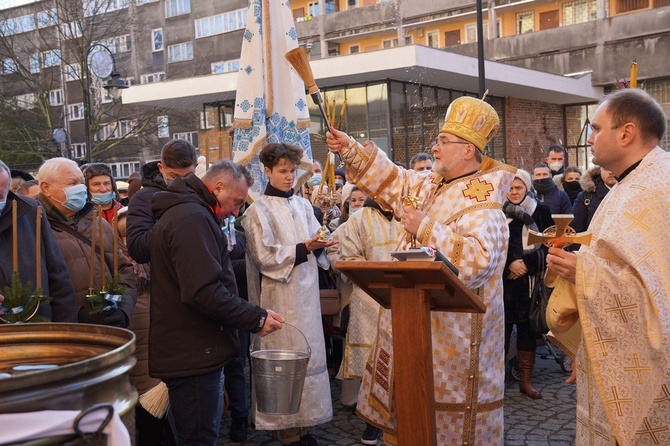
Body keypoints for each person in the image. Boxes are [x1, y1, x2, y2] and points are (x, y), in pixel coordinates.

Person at [327, 96, 516, 445]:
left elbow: (477, 262)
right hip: (411, 321)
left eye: (444, 141)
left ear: (468, 150)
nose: (435, 146)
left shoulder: (483, 202)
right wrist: (350, 148)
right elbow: (394, 179)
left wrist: (426, 228)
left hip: (453, 338)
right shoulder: (430, 183)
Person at [546, 88, 670, 445]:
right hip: (612, 354)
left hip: (649, 374)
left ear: (626, 133)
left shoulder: (657, 189)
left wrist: (579, 270)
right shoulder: (627, 185)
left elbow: (657, 297)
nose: (589, 138)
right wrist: (588, 348)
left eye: (596, 129)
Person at [149, 160, 283, 446]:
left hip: (193, 348)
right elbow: (202, 291)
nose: (236, 211)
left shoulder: (192, 213)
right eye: (235, 202)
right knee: (199, 438)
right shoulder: (192, 218)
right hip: (194, 352)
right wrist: (255, 318)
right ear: (218, 187)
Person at [243, 143, 335, 446]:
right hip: (278, 299)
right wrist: (305, 248)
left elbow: (318, 245)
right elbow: (264, 257)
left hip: (307, 298)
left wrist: (325, 242)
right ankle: (287, 433)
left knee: (309, 357)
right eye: (282, 171)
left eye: (292, 171)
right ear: (267, 171)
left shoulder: (304, 205)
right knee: (284, 363)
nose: (289, 176)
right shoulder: (257, 210)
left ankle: (305, 425)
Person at [331, 195, 401, 445]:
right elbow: (348, 258)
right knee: (374, 363)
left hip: (406, 298)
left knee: (403, 359)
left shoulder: (411, 216)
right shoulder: (359, 218)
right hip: (370, 298)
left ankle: (402, 417)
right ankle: (372, 421)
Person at [37, 158, 136, 327]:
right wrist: (76, 315)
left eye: (82, 182)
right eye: (72, 183)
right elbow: (34, 289)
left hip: (110, 330)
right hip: (67, 335)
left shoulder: (99, 223)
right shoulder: (34, 228)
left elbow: (123, 270)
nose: (81, 188)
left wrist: (122, 309)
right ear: (46, 188)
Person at [0, 160, 77, 322]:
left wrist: (64, 331)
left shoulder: (29, 210)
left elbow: (58, 275)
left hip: (38, 325)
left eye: (1, 195)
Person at [502, 169, 553, 399]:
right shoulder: (496, 212)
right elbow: (491, 245)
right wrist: (510, 265)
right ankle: (496, 381)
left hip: (529, 284)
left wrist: (527, 264)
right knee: (499, 334)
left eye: (518, 188)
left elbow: (549, 244)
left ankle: (525, 380)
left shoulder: (540, 211)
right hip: (503, 283)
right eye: (510, 188)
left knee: (526, 332)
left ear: (526, 188)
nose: (514, 192)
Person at [126, 139, 198, 264]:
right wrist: (174, 218)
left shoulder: (200, 193)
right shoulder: (143, 198)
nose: (181, 182)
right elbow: (137, 250)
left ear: (196, 167)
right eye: (174, 177)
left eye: (187, 176)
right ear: (161, 168)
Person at [570, 165, 617, 234]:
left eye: (615, 167)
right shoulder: (586, 197)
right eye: (606, 168)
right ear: (600, 170)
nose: (611, 172)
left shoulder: (635, 193)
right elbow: (575, 232)